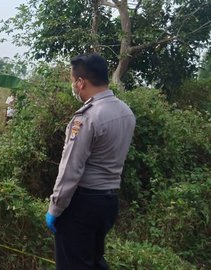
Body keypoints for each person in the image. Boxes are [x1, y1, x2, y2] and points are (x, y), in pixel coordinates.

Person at [45, 53, 135, 269]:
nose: (73, 87)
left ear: (81, 82)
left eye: (73, 82)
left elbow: (71, 168)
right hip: (108, 201)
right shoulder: (125, 111)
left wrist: (55, 208)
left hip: (82, 204)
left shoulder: (87, 117)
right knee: (94, 260)